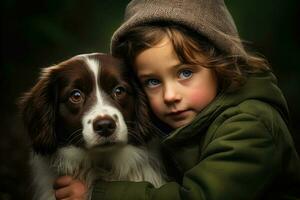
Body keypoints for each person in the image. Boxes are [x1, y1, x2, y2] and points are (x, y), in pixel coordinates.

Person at [54, 0, 300, 199]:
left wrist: (98, 194)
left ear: (221, 65)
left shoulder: (250, 125)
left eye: (185, 73)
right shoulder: (174, 121)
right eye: (152, 81)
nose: (170, 96)